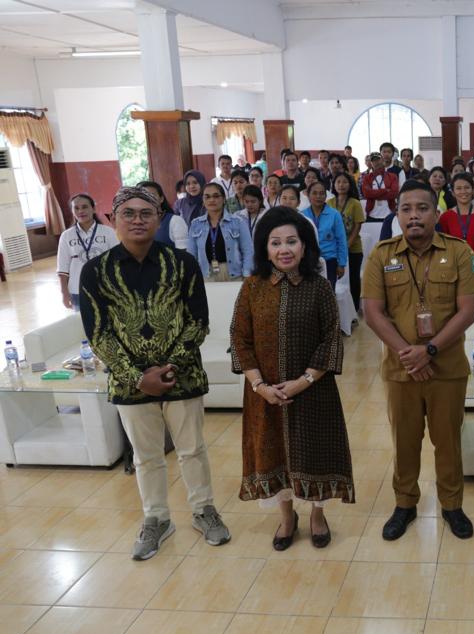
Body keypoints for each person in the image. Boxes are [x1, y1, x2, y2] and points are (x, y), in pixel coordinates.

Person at [79, 186, 231, 560]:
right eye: (128, 213)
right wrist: (137, 376)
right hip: (130, 384)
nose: (137, 220)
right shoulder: (96, 271)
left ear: (160, 218)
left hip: (182, 377)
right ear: (113, 220)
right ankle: (157, 519)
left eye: (146, 213)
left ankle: (203, 510)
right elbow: (98, 334)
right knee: (146, 456)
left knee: (192, 449)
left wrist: (169, 367)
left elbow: (198, 323)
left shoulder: (183, 264)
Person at [362, 180, 474, 541]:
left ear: (436, 212)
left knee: (447, 441)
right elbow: (372, 313)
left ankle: (451, 505)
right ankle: (405, 503)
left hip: (446, 370)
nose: (414, 216)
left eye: (422, 208)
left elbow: (468, 311)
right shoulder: (382, 255)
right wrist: (409, 355)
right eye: (406, 209)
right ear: (397, 214)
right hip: (401, 371)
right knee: (405, 441)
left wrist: (428, 351)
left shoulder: (460, 253)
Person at [229, 206, 354, 550]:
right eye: (275, 242)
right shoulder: (253, 287)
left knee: (317, 453)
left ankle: (317, 514)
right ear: (264, 249)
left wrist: (304, 381)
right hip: (264, 395)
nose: (284, 249)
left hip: (314, 391)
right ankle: (287, 517)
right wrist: (259, 386)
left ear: (304, 246)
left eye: (291, 241)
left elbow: (331, 337)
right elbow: (240, 338)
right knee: (274, 454)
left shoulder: (318, 287)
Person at [57, 193, 118, 311]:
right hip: (77, 289)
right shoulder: (66, 236)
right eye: (76, 208)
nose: (81, 211)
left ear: (93, 209)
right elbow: (62, 268)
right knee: (82, 326)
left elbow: (117, 262)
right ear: (72, 211)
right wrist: (64, 293)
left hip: (105, 289)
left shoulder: (108, 232)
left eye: (85, 207)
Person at [187, 183, 253, 281]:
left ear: (223, 199)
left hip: (233, 273)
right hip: (206, 273)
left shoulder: (238, 221)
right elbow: (191, 254)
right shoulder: (196, 224)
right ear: (203, 200)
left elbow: (248, 251)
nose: (211, 200)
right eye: (207, 197)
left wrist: (247, 274)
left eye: (216, 196)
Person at [439, 173, 474, 286]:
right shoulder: (446, 217)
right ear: (453, 193)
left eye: (467, 187)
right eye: (458, 188)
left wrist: (473, 262)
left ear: (473, 190)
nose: (463, 191)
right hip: (454, 272)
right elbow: (444, 245)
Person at [302, 181, 348, 290]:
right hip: (308, 261)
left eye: (322, 193)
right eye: (314, 193)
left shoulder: (334, 214)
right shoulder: (302, 215)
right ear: (308, 196)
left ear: (326, 196)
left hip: (329, 260)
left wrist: (341, 264)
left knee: (329, 293)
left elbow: (341, 240)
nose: (318, 196)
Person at [329, 172, 366, 307]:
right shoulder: (329, 203)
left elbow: (357, 227)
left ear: (350, 185)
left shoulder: (355, 203)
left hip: (353, 247)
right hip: (333, 248)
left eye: (345, 182)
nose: (341, 185)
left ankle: (355, 308)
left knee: (353, 279)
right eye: (338, 182)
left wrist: (346, 246)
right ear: (334, 184)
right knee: (334, 278)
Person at [361, 151, 400, 246]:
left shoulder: (392, 176)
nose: (376, 162)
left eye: (378, 159)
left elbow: (394, 193)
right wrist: (385, 191)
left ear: (382, 160)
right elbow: (366, 193)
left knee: (388, 243)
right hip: (372, 216)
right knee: (373, 244)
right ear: (371, 163)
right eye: (373, 160)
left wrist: (374, 194)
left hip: (388, 215)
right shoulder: (367, 177)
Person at [138, 181, 188, 249]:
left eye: (152, 195)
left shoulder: (175, 221)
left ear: (161, 199)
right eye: (143, 196)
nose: (148, 199)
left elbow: (184, 256)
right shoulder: (136, 223)